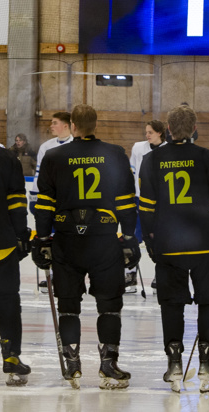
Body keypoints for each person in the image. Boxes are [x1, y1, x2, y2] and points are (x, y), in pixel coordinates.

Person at [32, 104, 139, 390]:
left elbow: (44, 204)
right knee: (110, 305)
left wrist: (41, 239)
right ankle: (109, 365)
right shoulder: (115, 154)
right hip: (104, 240)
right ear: (95, 124)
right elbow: (126, 202)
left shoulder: (54, 156)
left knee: (68, 305)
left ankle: (72, 363)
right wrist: (130, 237)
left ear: (73, 127)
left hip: (67, 241)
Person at [139, 105, 209, 393]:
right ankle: (207, 365)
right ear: (194, 128)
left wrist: (150, 241)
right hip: (204, 244)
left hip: (168, 243)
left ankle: (174, 365)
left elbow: (146, 207)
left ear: (168, 129)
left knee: (171, 304)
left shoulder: (151, 159)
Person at [0, 113, 32, 385]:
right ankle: (11, 357)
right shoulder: (7, 158)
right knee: (8, 302)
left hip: (1, 244)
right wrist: (22, 236)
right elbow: (17, 203)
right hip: (1, 245)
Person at [30, 111, 73, 293]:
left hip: (67, 202)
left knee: (65, 239)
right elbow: (39, 175)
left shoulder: (75, 145)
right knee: (50, 238)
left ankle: (66, 273)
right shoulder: (46, 147)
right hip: (49, 200)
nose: (51, 126)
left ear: (66, 125)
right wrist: (34, 196)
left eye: (55, 122)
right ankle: (54, 274)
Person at [126, 120, 166, 294]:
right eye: (146, 132)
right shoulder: (138, 148)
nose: (147, 135)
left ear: (160, 133)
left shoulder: (168, 150)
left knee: (159, 239)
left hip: (159, 202)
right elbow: (132, 172)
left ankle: (160, 274)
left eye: (150, 132)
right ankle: (130, 273)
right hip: (139, 199)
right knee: (133, 238)